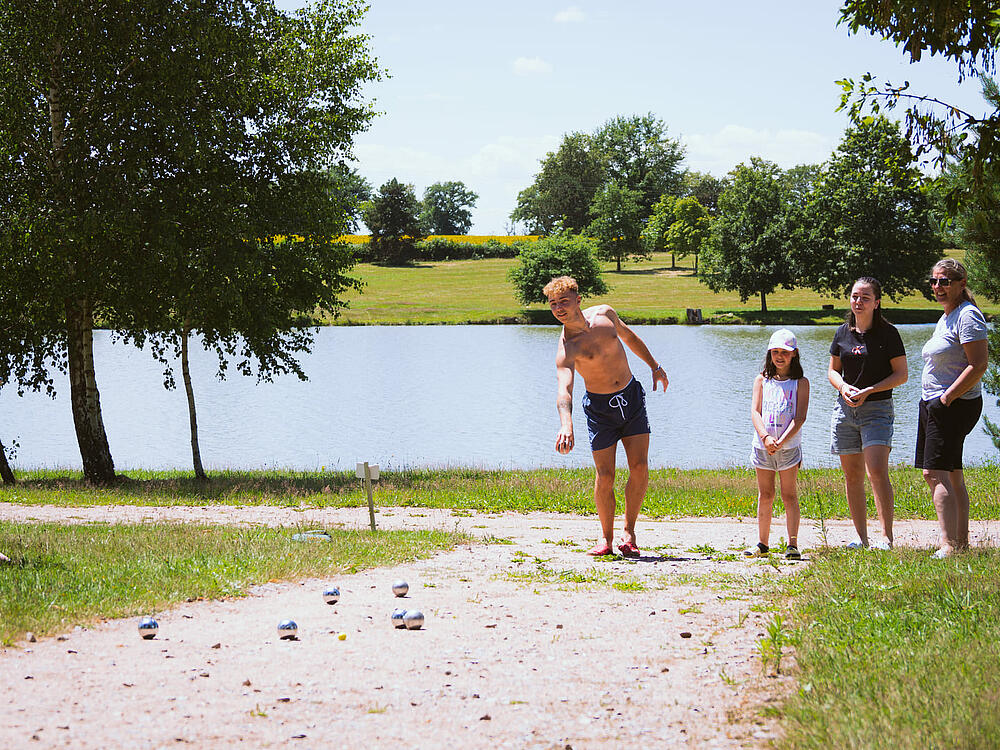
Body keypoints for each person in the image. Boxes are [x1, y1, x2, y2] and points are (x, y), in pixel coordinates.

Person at [545, 276, 668, 558]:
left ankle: (629, 533)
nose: (559, 308)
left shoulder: (605, 314)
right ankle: (606, 538)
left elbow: (630, 338)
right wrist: (566, 425)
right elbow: (564, 389)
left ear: (578, 300)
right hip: (600, 410)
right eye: (553, 304)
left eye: (564, 301)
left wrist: (655, 366)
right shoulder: (567, 347)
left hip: (631, 397)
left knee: (639, 466)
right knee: (605, 475)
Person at [827, 277, 908, 550]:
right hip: (845, 411)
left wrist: (870, 390)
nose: (858, 302)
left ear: (877, 302)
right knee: (852, 476)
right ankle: (860, 538)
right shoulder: (842, 332)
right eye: (854, 296)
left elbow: (901, 375)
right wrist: (843, 387)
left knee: (876, 471)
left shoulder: (888, 334)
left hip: (877, 410)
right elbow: (832, 371)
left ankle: (886, 538)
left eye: (865, 297)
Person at [916, 258, 989, 558]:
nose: (938, 287)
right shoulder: (947, 316)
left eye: (944, 281)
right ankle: (961, 543)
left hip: (953, 404)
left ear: (961, 283)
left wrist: (946, 398)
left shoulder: (968, 316)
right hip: (938, 402)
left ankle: (948, 545)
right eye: (934, 281)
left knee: (934, 472)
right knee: (952, 472)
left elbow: (978, 364)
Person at [746, 329, 809, 560]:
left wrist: (781, 441)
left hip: (788, 448)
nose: (780, 356)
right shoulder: (762, 380)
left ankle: (792, 544)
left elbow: (800, 417)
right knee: (765, 494)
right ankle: (762, 544)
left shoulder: (800, 383)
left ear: (794, 354)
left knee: (789, 495)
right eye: (775, 352)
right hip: (763, 447)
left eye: (785, 352)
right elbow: (755, 412)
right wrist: (765, 437)